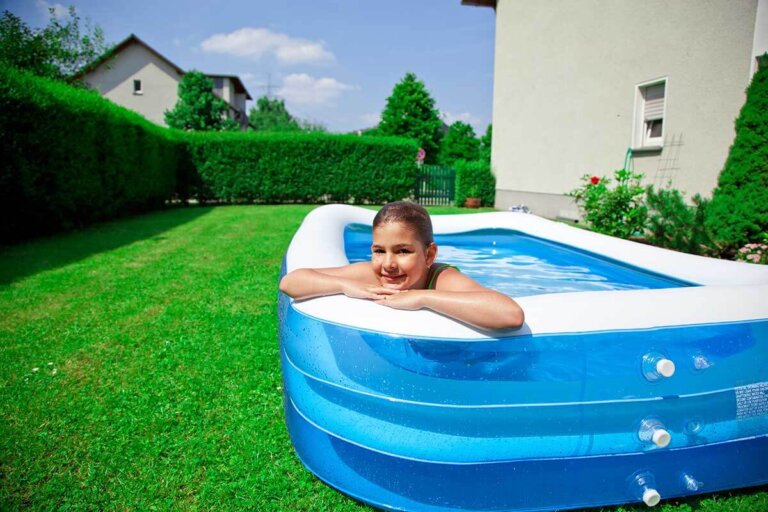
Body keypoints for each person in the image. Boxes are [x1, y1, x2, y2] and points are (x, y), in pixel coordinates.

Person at [279, 201, 525, 331]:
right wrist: (345, 286)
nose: (388, 264)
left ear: (429, 255)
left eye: (403, 251)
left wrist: (422, 297)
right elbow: (290, 282)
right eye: (379, 251)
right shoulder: (371, 276)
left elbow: (510, 314)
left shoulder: (441, 279)